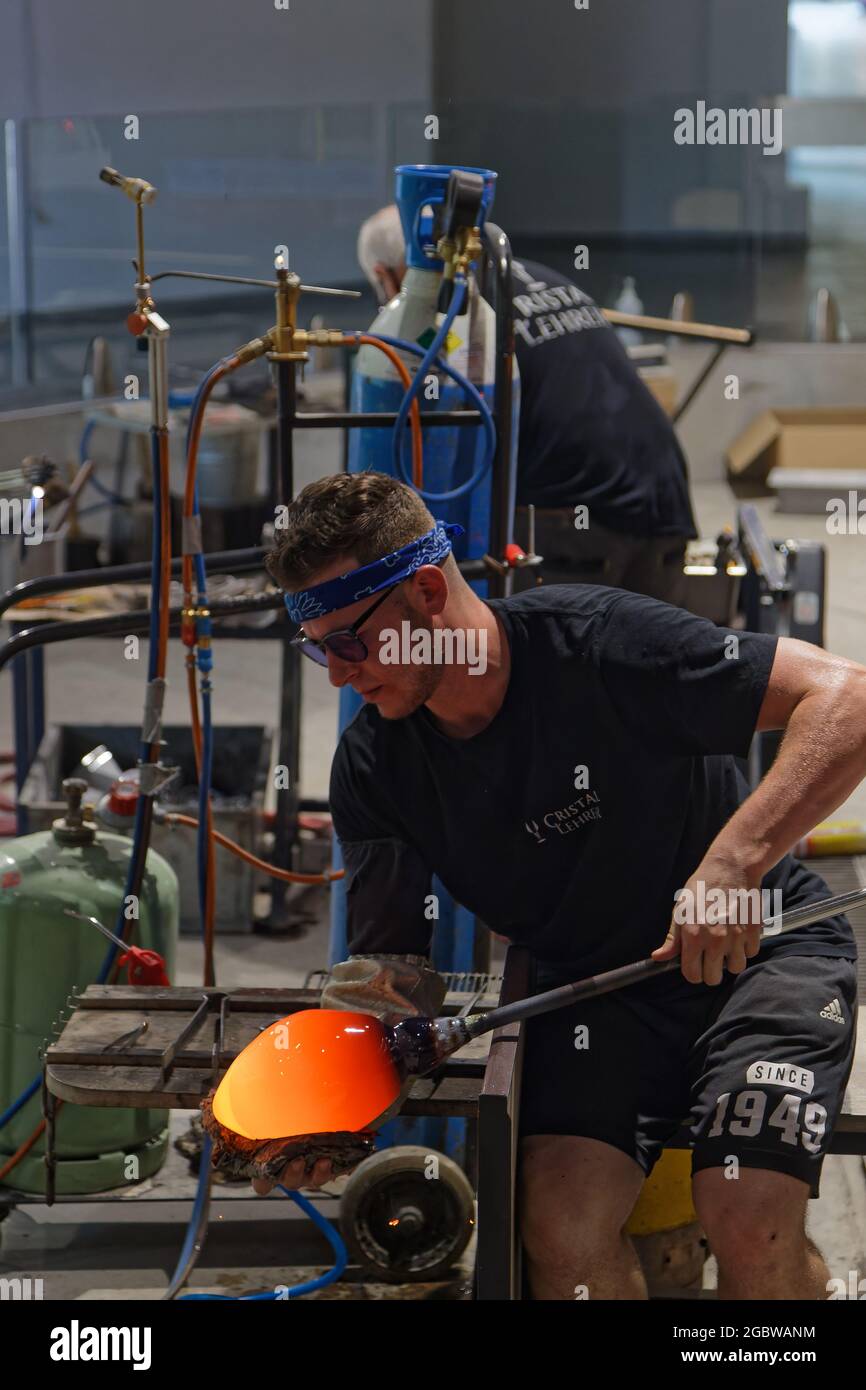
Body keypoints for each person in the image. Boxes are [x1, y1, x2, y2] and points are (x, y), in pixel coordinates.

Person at [258, 471, 863, 1301]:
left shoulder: (605, 644)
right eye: (317, 648)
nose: (336, 675)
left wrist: (733, 864)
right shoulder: (377, 767)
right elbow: (389, 966)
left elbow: (849, 698)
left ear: (427, 592)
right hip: (592, 994)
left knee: (748, 1212)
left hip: (762, 953)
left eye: (350, 644)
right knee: (560, 1230)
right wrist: (338, 1094)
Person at [357, 205, 698, 605]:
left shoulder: (457, 313)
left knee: (511, 631)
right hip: (668, 500)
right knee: (647, 659)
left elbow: (460, 451)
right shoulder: (528, 275)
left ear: (385, 276)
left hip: (581, 523)